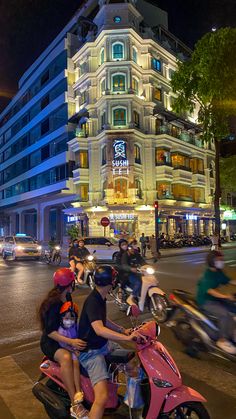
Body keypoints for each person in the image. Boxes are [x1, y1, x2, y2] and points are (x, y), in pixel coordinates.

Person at [78, 266, 140, 419]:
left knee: (132, 365)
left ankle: (132, 404)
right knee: (102, 398)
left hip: (103, 344)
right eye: (114, 279)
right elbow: (99, 329)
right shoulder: (93, 300)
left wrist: (122, 330)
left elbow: (102, 319)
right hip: (91, 352)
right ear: (110, 282)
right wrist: (127, 338)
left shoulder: (100, 296)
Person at [39, 268, 88, 419]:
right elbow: (50, 332)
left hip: (65, 338)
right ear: (69, 284)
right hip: (51, 342)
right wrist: (72, 342)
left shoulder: (66, 298)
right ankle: (75, 404)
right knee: (67, 358)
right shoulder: (53, 303)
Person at [196, 251, 236, 355]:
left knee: (234, 308)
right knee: (225, 314)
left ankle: (232, 331)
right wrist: (226, 296)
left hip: (215, 299)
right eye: (219, 260)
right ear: (212, 261)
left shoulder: (218, 272)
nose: (222, 262)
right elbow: (210, 291)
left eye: (222, 259)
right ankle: (222, 340)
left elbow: (229, 281)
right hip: (206, 301)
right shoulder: (207, 275)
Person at [58, 301, 87, 414]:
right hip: (68, 350)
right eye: (66, 318)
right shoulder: (62, 331)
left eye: (71, 318)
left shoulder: (76, 326)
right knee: (75, 364)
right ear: (62, 318)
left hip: (76, 349)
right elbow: (63, 344)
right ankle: (78, 391)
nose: (68, 320)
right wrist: (74, 350)